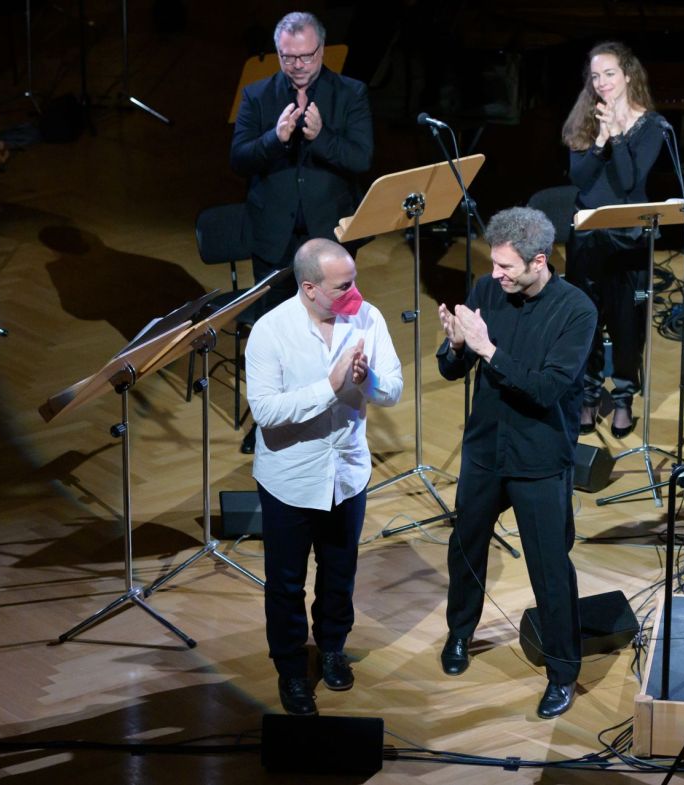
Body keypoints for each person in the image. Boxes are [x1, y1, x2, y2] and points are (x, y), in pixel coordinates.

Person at [435, 207, 597, 720]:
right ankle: (460, 634)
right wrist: (458, 346)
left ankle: (563, 673)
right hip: (485, 450)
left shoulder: (577, 310)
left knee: (550, 570)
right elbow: (451, 367)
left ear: (539, 261)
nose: (496, 274)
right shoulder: (486, 290)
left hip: (539, 457)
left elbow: (548, 388)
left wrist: (487, 349)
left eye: (507, 267)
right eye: (494, 264)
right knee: (465, 551)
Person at [245, 238, 402, 716]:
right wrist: (330, 387)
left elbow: (391, 389)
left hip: (347, 474)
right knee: (286, 583)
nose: (355, 292)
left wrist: (366, 378)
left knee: (339, 573)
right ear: (310, 288)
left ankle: (332, 648)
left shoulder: (367, 317)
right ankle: (291, 669)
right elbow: (267, 412)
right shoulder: (270, 332)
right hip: (291, 479)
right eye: (344, 286)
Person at [231, 10, 374, 453]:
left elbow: (361, 158)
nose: (297, 65)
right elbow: (238, 159)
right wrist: (275, 138)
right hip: (273, 235)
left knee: (331, 328)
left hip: (328, 239)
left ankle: (332, 410)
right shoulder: (256, 96)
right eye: (288, 56)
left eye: (306, 56)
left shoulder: (350, 93)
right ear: (278, 53)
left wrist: (321, 136)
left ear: (322, 50)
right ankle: (269, 420)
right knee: (274, 332)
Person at [561, 41, 664, 438]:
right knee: (586, 321)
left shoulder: (652, 126)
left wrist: (619, 136)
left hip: (629, 239)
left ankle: (623, 400)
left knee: (626, 325)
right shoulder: (584, 119)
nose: (601, 82)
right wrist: (601, 139)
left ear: (628, 75)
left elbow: (627, 182)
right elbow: (580, 180)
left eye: (609, 74)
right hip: (587, 237)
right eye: (595, 75)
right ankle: (587, 397)